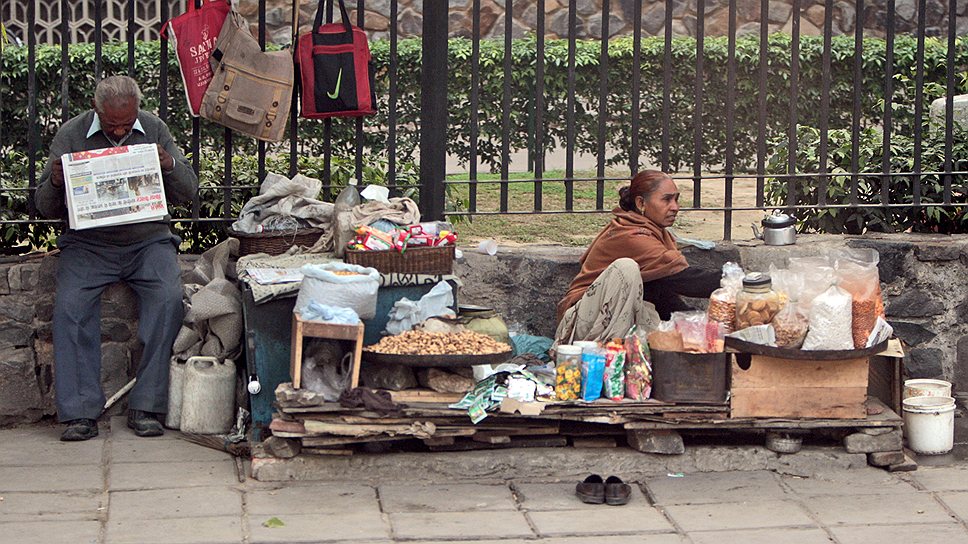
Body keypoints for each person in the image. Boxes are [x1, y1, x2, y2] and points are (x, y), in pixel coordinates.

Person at [36, 75, 198, 441]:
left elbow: (189, 191)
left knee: (169, 299)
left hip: (147, 241)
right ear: (96, 110)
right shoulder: (71, 134)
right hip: (89, 245)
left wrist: (169, 163)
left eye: (127, 123)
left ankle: (147, 406)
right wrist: (57, 181)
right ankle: (79, 413)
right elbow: (43, 207)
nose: (122, 130)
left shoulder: (154, 127)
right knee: (69, 308)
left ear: (138, 109)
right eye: (112, 125)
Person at [555, 170, 721, 345]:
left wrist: (692, 320)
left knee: (673, 335)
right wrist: (736, 281)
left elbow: (660, 287)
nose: (675, 207)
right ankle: (607, 349)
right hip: (581, 325)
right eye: (666, 199)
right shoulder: (632, 235)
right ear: (641, 202)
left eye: (676, 199)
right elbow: (680, 279)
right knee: (626, 267)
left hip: (606, 318)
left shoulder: (655, 233)